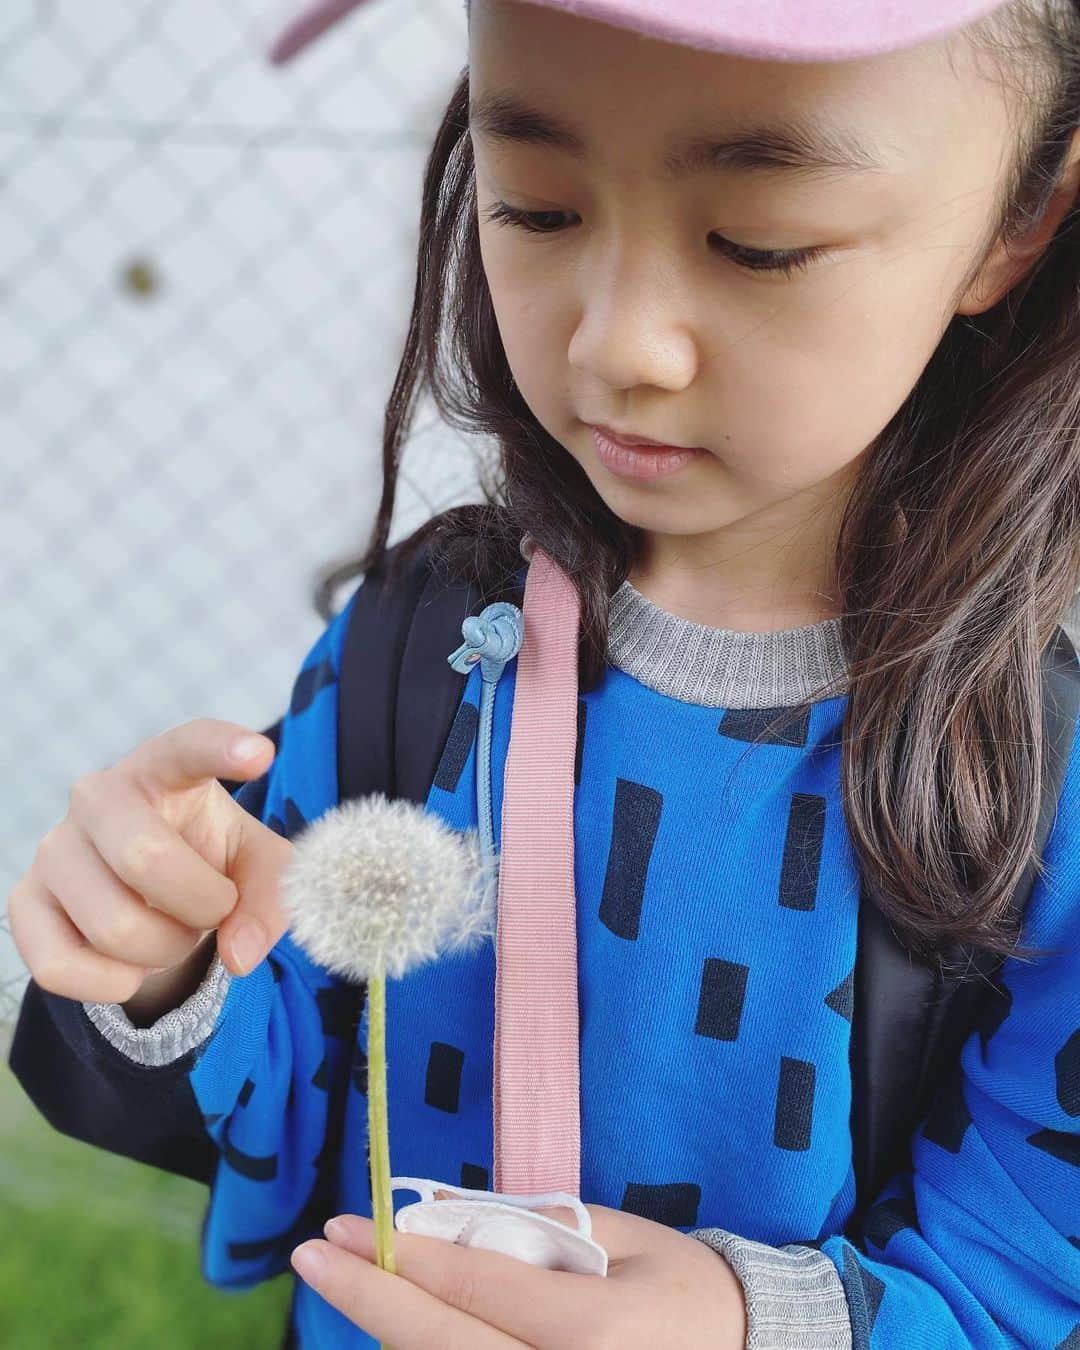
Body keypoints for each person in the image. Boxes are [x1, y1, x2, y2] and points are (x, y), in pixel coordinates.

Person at [8, 0, 1080, 1345]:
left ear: (1020, 218)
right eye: (537, 207)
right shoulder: (420, 642)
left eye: (760, 242)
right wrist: (164, 960)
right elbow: (282, 1080)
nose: (619, 344)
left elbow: (1032, 1276)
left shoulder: (1038, 775)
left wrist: (756, 1324)